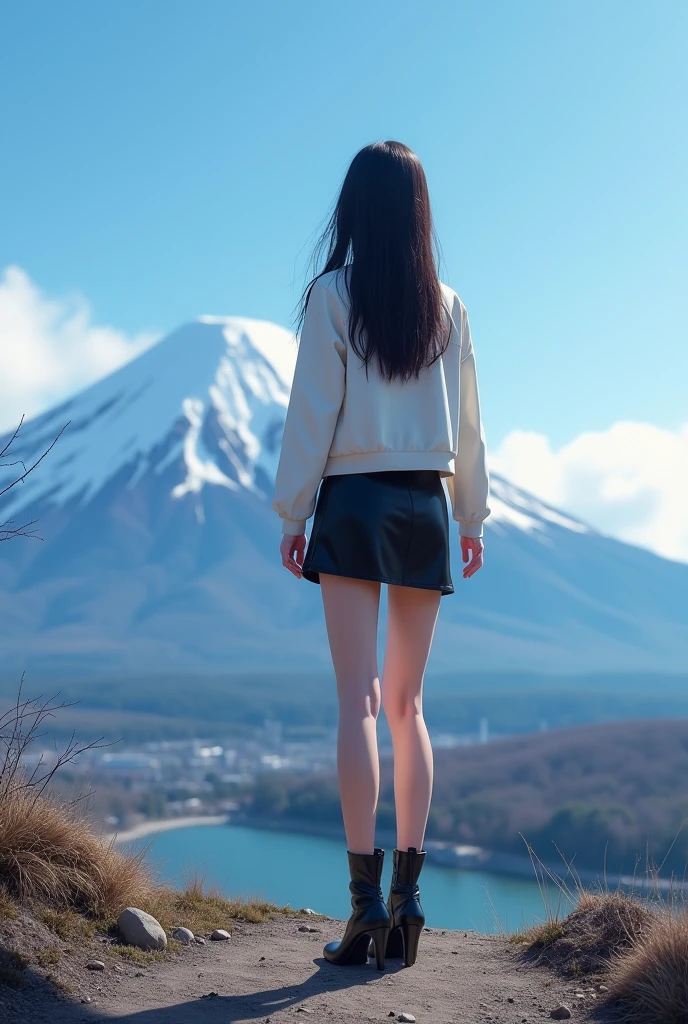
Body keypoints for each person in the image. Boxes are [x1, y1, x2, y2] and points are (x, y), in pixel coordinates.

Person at [272, 141, 491, 972]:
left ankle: (363, 910)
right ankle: (409, 904)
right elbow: (470, 425)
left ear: (356, 208)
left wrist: (294, 511)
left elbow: (312, 412)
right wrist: (471, 515)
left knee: (357, 704)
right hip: (426, 506)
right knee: (410, 707)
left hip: (355, 503)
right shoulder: (451, 305)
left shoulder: (333, 294)